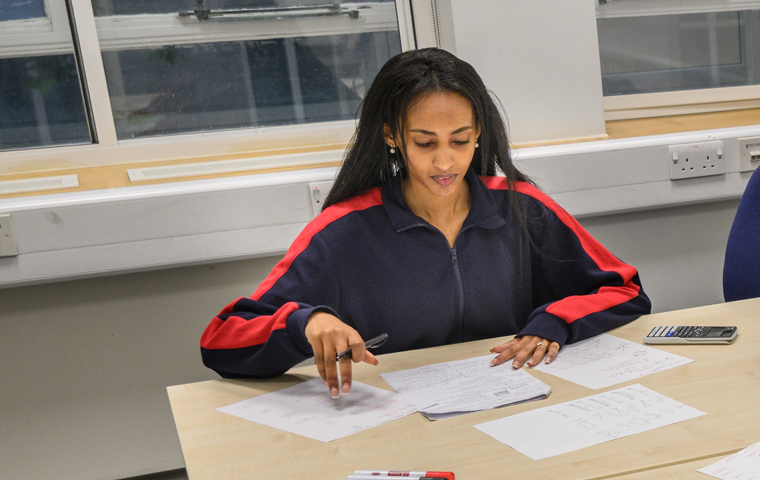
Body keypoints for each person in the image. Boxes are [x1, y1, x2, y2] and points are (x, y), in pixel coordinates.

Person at [201, 47, 649, 391]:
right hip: (397, 422)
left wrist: (558, 320)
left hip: (518, 404)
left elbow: (624, 289)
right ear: (393, 137)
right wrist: (305, 323)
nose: (445, 163)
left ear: (479, 134)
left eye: (460, 140)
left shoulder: (521, 207)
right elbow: (221, 339)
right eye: (424, 142)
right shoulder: (344, 230)